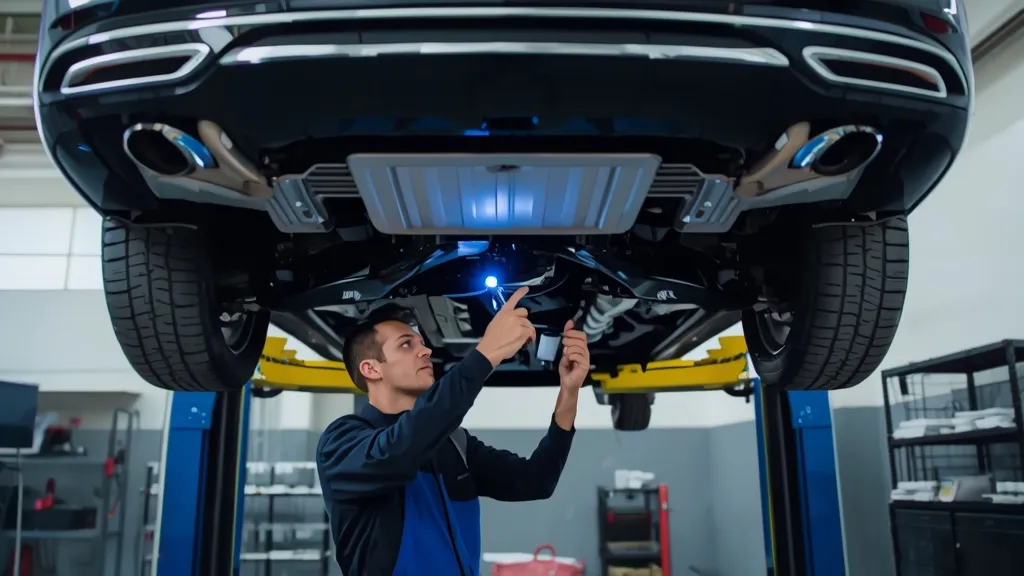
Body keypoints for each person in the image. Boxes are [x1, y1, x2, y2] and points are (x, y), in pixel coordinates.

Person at [315, 286, 589, 575]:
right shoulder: (341, 442)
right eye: (407, 344)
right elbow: (398, 451)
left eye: (421, 342)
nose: (426, 350)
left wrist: (569, 393)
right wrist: (487, 352)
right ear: (371, 369)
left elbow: (536, 481)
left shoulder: (454, 443)